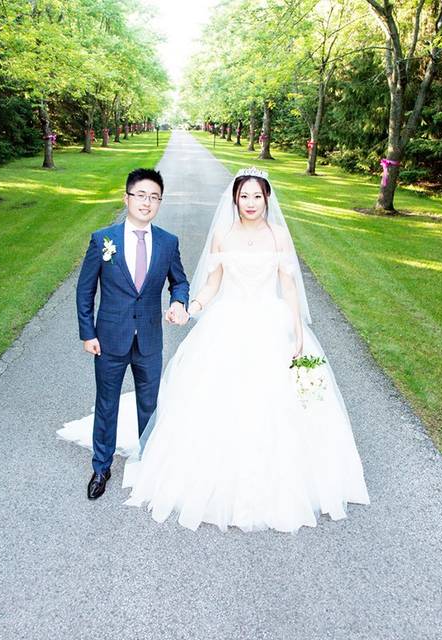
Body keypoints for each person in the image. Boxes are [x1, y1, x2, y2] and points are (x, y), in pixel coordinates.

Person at [61, 167, 369, 531]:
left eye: (257, 196)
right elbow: (210, 284)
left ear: (267, 198)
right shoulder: (222, 235)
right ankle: (119, 465)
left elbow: (289, 288)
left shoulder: (280, 236)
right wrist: (190, 308)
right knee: (208, 398)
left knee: (271, 403)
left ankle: (270, 479)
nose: (250, 203)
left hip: (270, 325)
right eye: (244, 196)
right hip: (226, 323)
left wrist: (297, 333)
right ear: (235, 199)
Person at [73, 168, 190, 501]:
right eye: (141, 195)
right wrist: (87, 332)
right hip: (109, 338)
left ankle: (151, 464)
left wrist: (179, 301)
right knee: (106, 404)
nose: (147, 202)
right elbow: (85, 291)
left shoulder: (168, 242)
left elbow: (179, 281)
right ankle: (101, 467)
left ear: (159, 203)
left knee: (149, 405)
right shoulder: (103, 239)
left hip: (150, 339)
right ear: (127, 198)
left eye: (154, 197)